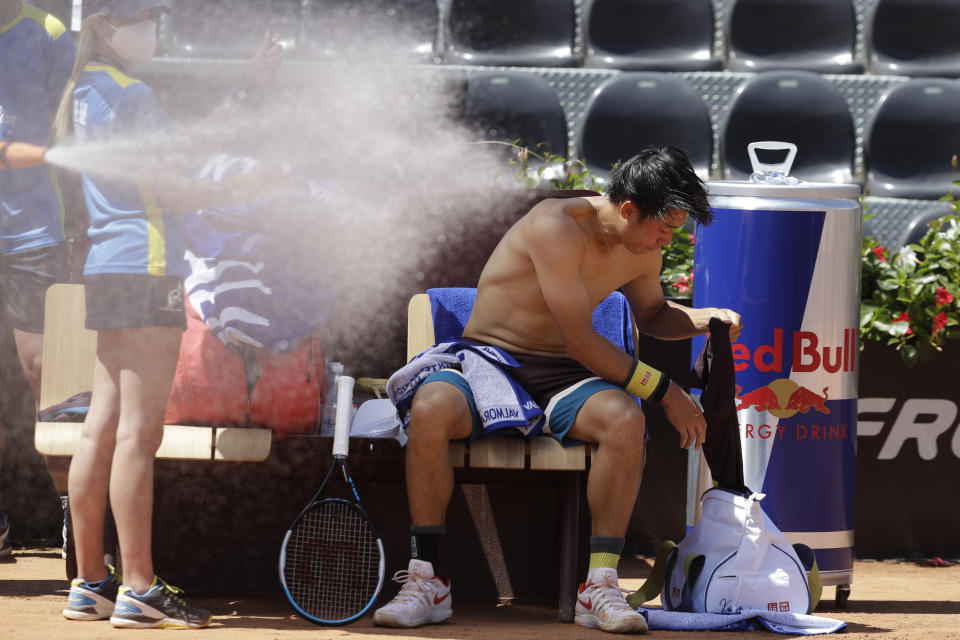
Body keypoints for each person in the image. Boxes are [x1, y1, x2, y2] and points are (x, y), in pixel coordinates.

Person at [374, 147, 742, 634]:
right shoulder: (555, 224)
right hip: (489, 359)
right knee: (432, 407)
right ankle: (429, 579)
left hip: (562, 375)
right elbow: (581, 339)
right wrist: (668, 391)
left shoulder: (642, 248)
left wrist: (705, 319)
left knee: (623, 419)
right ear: (629, 208)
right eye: (664, 227)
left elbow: (653, 315)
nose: (667, 239)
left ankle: (599, 586)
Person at [42, 0, 280, 628]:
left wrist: (243, 90)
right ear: (102, 25)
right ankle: (140, 588)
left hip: (107, 264)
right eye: (140, 15)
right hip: (147, 266)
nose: (151, 26)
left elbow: (176, 147)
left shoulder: (89, 89)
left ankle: (90, 582)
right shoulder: (132, 93)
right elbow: (175, 187)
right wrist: (241, 190)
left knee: (102, 424)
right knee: (139, 435)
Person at [0, 0, 75, 558]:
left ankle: (78, 514)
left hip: (36, 236)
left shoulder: (48, 32)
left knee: (47, 376)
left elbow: (71, 123)